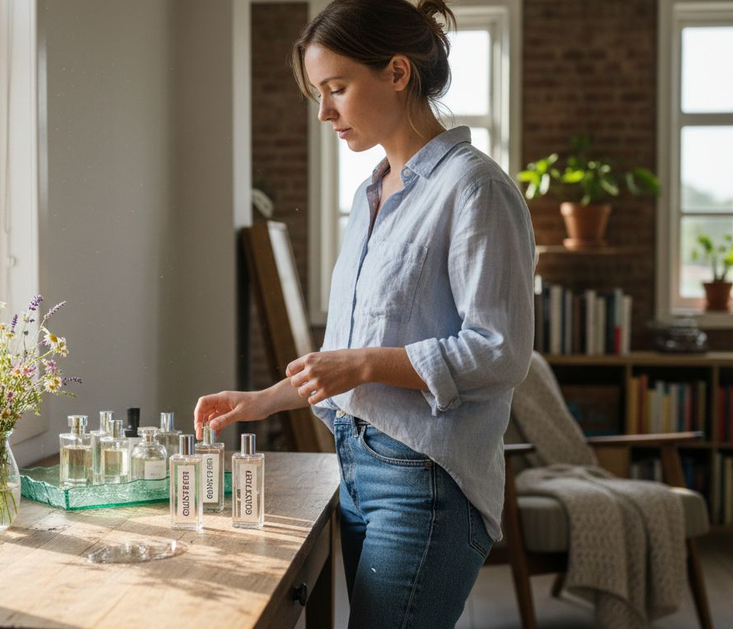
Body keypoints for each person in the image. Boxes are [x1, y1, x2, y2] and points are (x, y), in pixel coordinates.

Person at [194, 0, 536, 626]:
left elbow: (500, 352)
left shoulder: (475, 189)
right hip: (352, 467)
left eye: (337, 89)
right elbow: (350, 359)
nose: (323, 111)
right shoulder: (370, 193)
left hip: (425, 482)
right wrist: (265, 399)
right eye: (318, 93)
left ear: (398, 73)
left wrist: (365, 364)